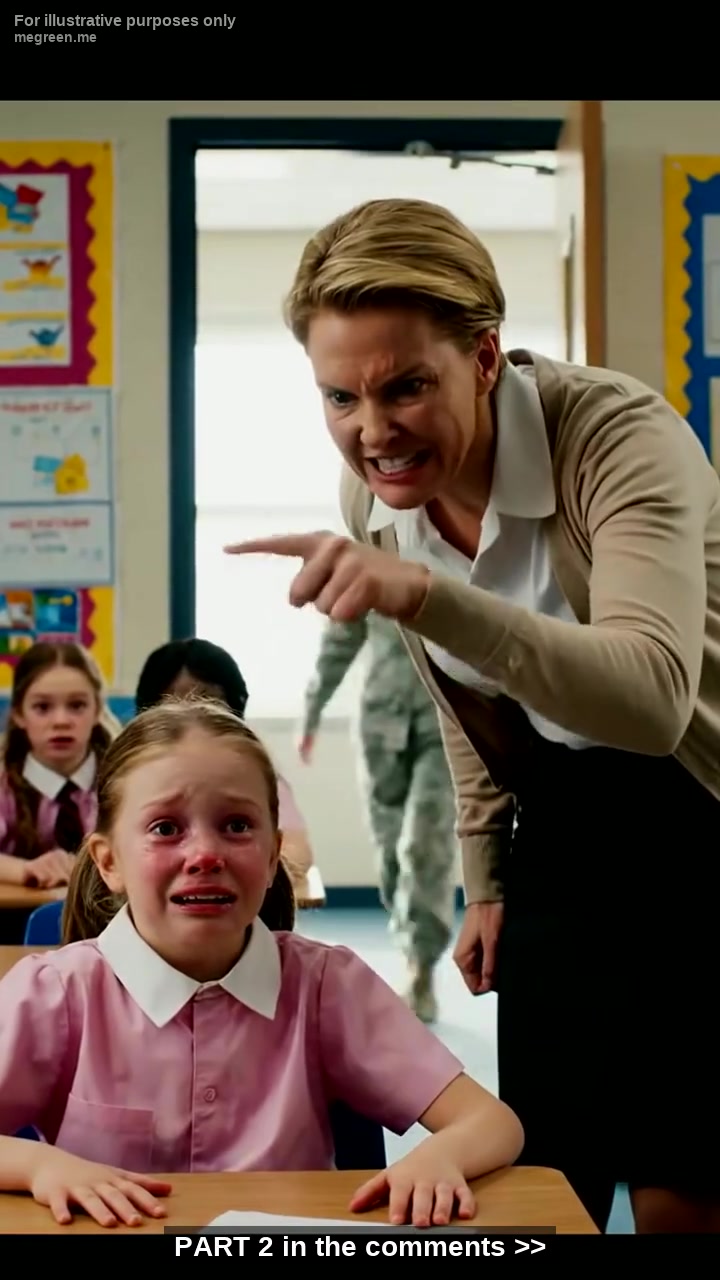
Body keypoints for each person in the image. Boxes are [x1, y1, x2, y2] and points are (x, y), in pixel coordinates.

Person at [224, 198, 720, 1235]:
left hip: (695, 807)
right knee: (552, 1163)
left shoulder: (619, 437)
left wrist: (424, 595)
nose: (372, 432)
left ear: (485, 356)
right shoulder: (379, 495)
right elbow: (470, 697)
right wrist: (486, 871)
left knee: (681, 1174)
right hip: (564, 821)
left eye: (406, 386)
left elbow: (650, 697)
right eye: (340, 397)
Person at [0, 699, 523, 1229]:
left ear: (273, 856)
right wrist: (41, 1165)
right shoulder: (56, 993)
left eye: (236, 825)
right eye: (165, 828)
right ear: (109, 861)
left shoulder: (327, 986)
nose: (205, 854)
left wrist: (439, 1158)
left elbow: (491, 1123)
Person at [299, 613, 456, 1022]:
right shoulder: (367, 573)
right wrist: (313, 710)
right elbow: (340, 641)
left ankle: (422, 966)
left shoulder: (460, 572)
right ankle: (408, 942)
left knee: (424, 846)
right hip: (380, 724)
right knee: (390, 852)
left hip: (444, 722)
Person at [135, 638, 324, 909]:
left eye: (207, 703)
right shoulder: (130, 777)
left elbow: (298, 854)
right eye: (174, 705)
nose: (191, 717)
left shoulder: (255, 775)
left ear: (233, 708)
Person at [0, 643, 117, 940]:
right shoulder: (3, 783)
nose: (61, 720)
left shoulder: (125, 779)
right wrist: (26, 869)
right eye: (42, 707)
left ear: (97, 710)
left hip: (112, 928)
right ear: (18, 715)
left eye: (77, 705)